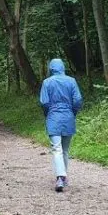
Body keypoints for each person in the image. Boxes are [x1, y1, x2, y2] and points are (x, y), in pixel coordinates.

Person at [39, 59, 83, 192]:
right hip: (68, 117)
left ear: (51, 69)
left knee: (56, 148)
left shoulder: (47, 82)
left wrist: (48, 114)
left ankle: (60, 177)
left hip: (53, 117)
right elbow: (78, 100)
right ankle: (63, 177)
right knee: (65, 150)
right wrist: (72, 112)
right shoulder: (71, 81)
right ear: (63, 67)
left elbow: (44, 102)